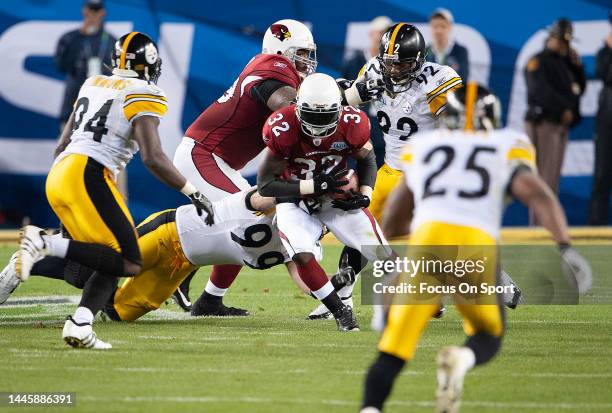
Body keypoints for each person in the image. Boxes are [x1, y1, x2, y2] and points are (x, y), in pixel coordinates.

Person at [360, 83, 592, 413]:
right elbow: (536, 194)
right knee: (488, 332)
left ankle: (370, 409)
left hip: (427, 244)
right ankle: (462, 358)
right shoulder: (507, 145)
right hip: (473, 247)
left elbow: (394, 222)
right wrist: (565, 247)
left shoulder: (425, 147)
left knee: (392, 351)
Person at [15, 32, 214, 350]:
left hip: (62, 172)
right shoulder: (145, 92)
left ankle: (80, 324)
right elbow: (153, 157)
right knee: (129, 260)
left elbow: (63, 143)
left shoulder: (93, 83)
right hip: (88, 174)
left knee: (102, 262)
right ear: (148, 64)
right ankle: (45, 243)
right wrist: (193, 191)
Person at [309, 23, 463, 319]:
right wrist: (355, 93)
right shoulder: (373, 70)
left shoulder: (439, 79)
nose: (394, 71)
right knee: (361, 230)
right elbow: (339, 107)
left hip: (429, 175)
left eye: (402, 63)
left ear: (419, 59)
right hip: (391, 171)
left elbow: (457, 131)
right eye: (389, 63)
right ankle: (341, 301)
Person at [171, 19, 316, 316]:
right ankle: (179, 266)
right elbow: (289, 108)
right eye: (300, 53)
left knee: (242, 223)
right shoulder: (270, 67)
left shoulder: (285, 75)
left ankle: (210, 299)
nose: (307, 60)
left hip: (218, 161)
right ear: (281, 50)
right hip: (203, 155)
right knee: (251, 218)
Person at [257, 73, 392, 331]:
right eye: (311, 115)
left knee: (379, 251)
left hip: (334, 197)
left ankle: (425, 301)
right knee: (302, 255)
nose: (318, 124)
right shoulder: (282, 127)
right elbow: (266, 184)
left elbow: (367, 158)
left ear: (339, 109)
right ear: (297, 108)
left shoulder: (353, 123)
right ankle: (341, 311)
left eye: (325, 115)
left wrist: (365, 193)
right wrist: (312, 186)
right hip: (293, 198)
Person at [524, 18, 585, 224]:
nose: (562, 45)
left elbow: (579, 90)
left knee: (552, 180)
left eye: (565, 42)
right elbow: (540, 92)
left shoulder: (566, 63)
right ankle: (536, 228)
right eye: (559, 40)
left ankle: (545, 227)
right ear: (550, 38)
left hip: (559, 124)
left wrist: (578, 68)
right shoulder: (538, 61)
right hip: (543, 124)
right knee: (541, 179)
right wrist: (565, 108)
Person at [55, 0, 116, 129]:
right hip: (73, 108)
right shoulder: (69, 38)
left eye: (96, 10)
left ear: (103, 13)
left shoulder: (112, 42)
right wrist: (80, 36)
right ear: (84, 11)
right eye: (90, 10)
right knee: (66, 146)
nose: (93, 15)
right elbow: (62, 66)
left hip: (102, 113)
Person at [588, 11, 612, 225]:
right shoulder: (605, 52)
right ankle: (596, 229)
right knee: (602, 174)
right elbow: (603, 74)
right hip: (607, 118)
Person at [426, 8, 470, 81]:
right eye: (435, 26)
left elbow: (463, 79)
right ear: (430, 27)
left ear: (450, 27)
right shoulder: (425, 51)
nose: (438, 30)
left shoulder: (460, 51)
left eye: (443, 26)